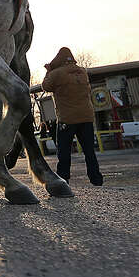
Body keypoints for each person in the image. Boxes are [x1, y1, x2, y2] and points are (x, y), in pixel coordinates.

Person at [42, 47, 103, 187]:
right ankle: (96, 179)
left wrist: (48, 71)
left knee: (64, 152)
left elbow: (46, 86)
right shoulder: (82, 72)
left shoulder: (56, 74)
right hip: (86, 117)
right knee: (89, 151)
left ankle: (63, 180)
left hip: (67, 119)